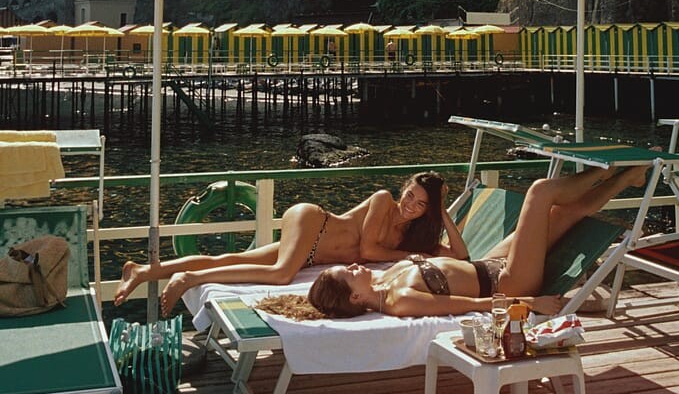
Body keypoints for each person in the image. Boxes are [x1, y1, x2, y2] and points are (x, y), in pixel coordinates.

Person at [306, 162, 650, 320]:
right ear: (355, 296)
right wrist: (531, 302)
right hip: (509, 281)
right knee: (539, 193)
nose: (355, 265)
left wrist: (440, 210)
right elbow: (470, 305)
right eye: (349, 272)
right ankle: (604, 169)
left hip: (488, 264)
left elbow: (461, 257)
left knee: (563, 214)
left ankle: (628, 178)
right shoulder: (400, 301)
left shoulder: (383, 279)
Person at [114, 171, 467, 316]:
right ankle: (190, 279)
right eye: (410, 195)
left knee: (231, 258)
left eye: (420, 203)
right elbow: (369, 252)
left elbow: (461, 257)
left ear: (428, 210)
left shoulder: (416, 238)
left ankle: (143, 271)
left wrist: (443, 213)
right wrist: (413, 253)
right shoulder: (383, 200)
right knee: (282, 274)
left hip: (312, 254)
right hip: (313, 222)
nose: (409, 204)